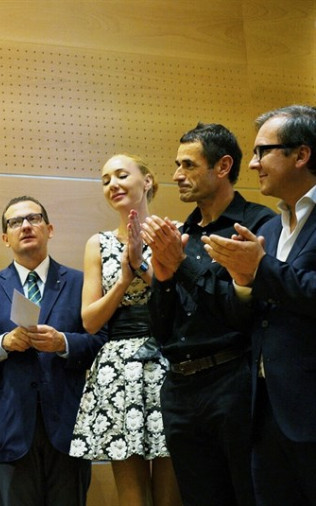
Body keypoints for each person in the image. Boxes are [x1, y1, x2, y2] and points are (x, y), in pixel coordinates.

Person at [141, 123, 275, 506]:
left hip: (232, 381)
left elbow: (241, 315)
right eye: (176, 164)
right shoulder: (180, 232)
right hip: (180, 388)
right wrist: (163, 280)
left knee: (248, 494)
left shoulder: (256, 225)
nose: (176, 176)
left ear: (222, 166)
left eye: (188, 165)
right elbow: (161, 329)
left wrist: (179, 265)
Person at [200, 105, 316, 505]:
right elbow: (252, 315)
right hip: (264, 407)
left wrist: (260, 268)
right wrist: (244, 281)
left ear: (301, 155)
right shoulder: (267, 226)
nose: (252, 165)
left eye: (262, 152)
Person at [69, 155, 181, 506]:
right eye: (105, 180)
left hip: (169, 361)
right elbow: (89, 321)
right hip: (118, 368)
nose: (113, 184)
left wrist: (141, 264)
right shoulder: (97, 243)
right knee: (131, 497)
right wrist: (124, 277)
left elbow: (184, 304)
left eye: (121, 175)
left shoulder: (172, 232)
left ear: (147, 181)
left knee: (171, 494)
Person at [0, 195, 107, 506]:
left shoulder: (81, 283)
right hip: (12, 428)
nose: (25, 226)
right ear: (5, 238)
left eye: (34, 219)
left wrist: (63, 343)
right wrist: (3, 344)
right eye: (15, 222)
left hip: (69, 427)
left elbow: (103, 342)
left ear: (49, 229)